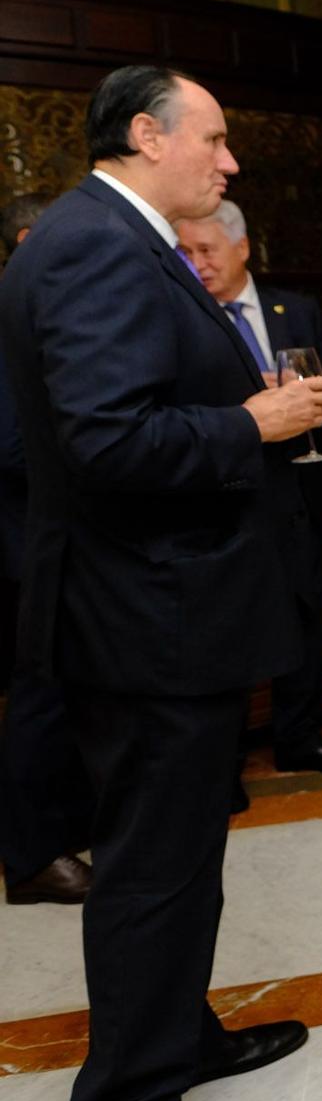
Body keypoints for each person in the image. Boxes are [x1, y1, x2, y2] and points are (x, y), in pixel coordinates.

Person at [0, 64, 322, 1101]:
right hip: (141, 616)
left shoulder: (114, 235)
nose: (229, 159)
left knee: (178, 855)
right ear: (148, 135)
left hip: (157, 610)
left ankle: (176, 1039)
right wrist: (254, 423)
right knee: (151, 868)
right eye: (216, 137)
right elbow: (106, 442)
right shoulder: (98, 243)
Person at [180, 200, 322, 776]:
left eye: (207, 251)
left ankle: (299, 737)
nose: (198, 265)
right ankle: (225, 764)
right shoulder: (183, 317)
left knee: (305, 613)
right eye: (186, 254)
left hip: (300, 488)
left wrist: (306, 412)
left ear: (242, 247)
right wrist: (249, 411)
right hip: (225, 491)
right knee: (226, 627)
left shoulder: (297, 310)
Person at [0, 191, 93, 905]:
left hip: (55, 535)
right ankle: (31, 857)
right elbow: (12, 445)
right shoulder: (12, 317)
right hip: (24, 541)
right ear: (33, 239)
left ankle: (64, 827)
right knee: (39, 693)